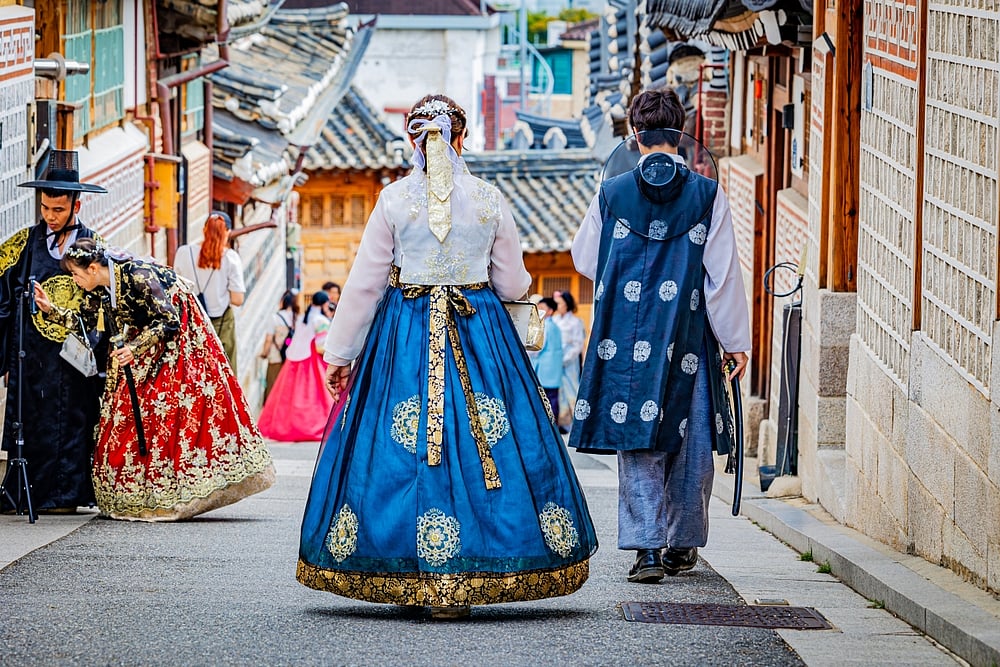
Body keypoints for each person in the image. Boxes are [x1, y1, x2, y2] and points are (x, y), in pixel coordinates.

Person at [297, 94, 597, 618]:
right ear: (462, 139)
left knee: (400, 442)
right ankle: (480, 562)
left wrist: (340, 352)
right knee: (486, 438)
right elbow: (514, 281)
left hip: (405, 331)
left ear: (414, 140)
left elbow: (366, 285)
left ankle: (412, 568)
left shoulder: (392, 200)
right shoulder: (488, 199)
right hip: (479, 330)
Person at [568, 88, 750, 583]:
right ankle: (682, 544)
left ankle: (646, 550)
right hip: (688, 333)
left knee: (638, 438)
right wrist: (736, 341)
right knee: (690, 442)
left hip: (627, 341)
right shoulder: (707, 194)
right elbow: (722, 277)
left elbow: (585, 259)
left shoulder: (612, 191)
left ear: (634, 133)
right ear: (681, 131)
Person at [34, 238, 275, 521]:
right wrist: (51, 310)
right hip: (143, 334)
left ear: (93, 268)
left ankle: (179, 487)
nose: (74, 281)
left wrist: (134, 349)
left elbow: (169, 320)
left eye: (75, 274)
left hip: (177, 331)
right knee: (127, 409)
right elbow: (86, 324)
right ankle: (140, 492)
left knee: (171, 402)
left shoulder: (137, 275)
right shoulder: (97, 288)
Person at [0, 150, 106, 514]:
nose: (50, 215)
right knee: (31, 422)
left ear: (77, 206)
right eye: (45, 208)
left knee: (71, 422)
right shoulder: (25, 244)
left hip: (72, 354)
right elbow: (4, 294)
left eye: (58, 209)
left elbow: (102, 303)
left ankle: (65, 495)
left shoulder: (93, 246)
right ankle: (26, 492)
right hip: (31, 354)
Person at [173, 211, 245, 371]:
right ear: (227, 232)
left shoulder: (183, 252)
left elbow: (175, 287)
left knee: (195, 370)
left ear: (204, 230)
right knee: (224, 372)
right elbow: (238, 299)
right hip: (221, 324)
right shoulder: (230, 258)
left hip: (191, 321)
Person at [257, 291, 333, 442]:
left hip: (294, 361)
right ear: (324, 303)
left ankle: (286, 427)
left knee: (287, 396)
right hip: (312, 362)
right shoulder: (320, 320)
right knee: (314, 396)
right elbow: (320, 346)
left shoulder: (302, 319)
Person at [551, 290, 585, 432]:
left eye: (560, 303)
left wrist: (565, 359)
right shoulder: (555, 320)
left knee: (572, 389)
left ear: (567, 304)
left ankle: (577, 422)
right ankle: (562, 422)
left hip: (569, 361)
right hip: (555, 359)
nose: (558, 306)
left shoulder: (576, 322)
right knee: (558, 391)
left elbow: (578, 344)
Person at [258, 289, 299, 402]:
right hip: (290, 359)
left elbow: (269, 339)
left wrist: (264, 353)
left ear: (283, 302)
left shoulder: (275, 318)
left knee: (273, 388)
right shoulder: (297, 318)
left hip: (275, 358)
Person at [531, 297, 563, 422]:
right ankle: (554, 425)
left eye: (542, 308)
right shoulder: (555, 326)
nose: (539, 310)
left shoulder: (544, 326)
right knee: (553, 398)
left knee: (543, 399)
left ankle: (548, 425)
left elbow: (538, 347)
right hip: (554, 370)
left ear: (550, 311)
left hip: (544, 369)